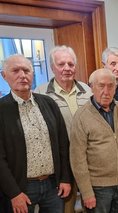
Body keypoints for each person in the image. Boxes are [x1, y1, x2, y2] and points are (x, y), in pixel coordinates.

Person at [0, 54, 72, 212]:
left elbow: (63, 145)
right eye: (15, 70)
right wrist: (14, 193)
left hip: (53, 185)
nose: (22, 75)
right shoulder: (2, 110)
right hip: (21, 188)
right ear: (4, 75)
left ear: (32, 74)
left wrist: (66, 178)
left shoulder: (48, 103)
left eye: (26, 70)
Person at [69, 68, 118, 213]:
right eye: (101, 86)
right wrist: (86, 192)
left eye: (110, 86)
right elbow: (77, 159)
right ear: (91, 87)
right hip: (98, 188)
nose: (106, 91)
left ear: (115, 88)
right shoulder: (81, 116)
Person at [34, 45, 92, 213]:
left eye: (71, 64)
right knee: (66, 207)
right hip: (61, 163)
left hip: (89, 159)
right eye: (61, 64)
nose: (67, 68)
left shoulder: (87, 91)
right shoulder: (41, 94)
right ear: (52, 68)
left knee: (92, 204)